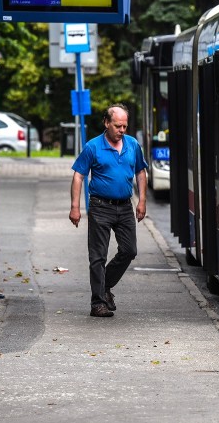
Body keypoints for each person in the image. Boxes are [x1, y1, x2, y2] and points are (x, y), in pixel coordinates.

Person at [69, 104, 148, 318]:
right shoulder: (93, 147)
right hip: (100, 206)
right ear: (106, 123)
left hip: (124, 206)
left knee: (129, 250)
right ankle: (98, 303)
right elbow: (78, 176)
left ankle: (105, 286)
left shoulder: (132, 145)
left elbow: (141, 172)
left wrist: (142, 201)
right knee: (98, 257)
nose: (122, 130)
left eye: (124, 126)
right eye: (117, 126)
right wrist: (75, 207)